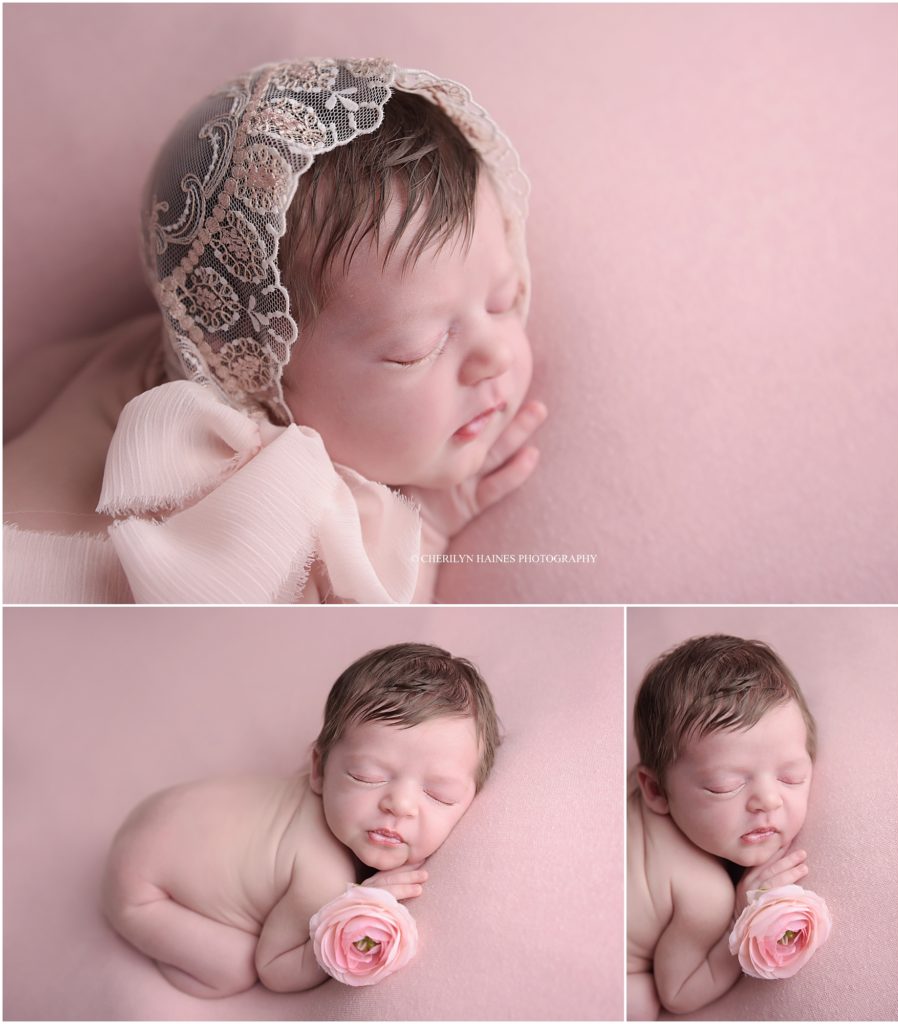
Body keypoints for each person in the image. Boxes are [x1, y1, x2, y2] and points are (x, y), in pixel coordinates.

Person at [4, 58, 546, 603]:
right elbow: (374, 635)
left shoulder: (126, 354)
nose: (494, 355)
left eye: (503, 301)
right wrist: (430, 529)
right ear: (258, 373)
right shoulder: (274, 515)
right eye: (417, 351)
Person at [102, 642, 501, 996]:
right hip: (142, 890)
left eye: (438, 794)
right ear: (318, 769)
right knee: (234, 967)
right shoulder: (321, 875)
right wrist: (353, 904)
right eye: (366, 776)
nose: (400, 805)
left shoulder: (335, 801)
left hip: (162, 815)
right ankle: (146, 935)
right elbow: (275, 968)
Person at [627, 635, 816, 1019]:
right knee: (638, 1000)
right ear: (655, 790)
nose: (768, 800)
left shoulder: (638, 792)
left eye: (792, 777)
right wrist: (738, 918)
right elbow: (677, 994)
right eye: (725, 787)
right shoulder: (704, 893)